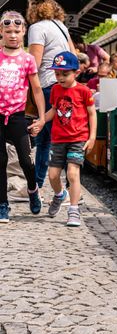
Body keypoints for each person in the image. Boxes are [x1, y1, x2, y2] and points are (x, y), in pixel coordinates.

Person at [27, 0, 76, 190]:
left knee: (51, 138)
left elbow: (34, 64)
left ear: (32, 4)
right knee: (47, 138)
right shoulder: (61, 26)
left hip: (47, 86)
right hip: (62, 86)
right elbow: (73, 55)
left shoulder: (37, 28)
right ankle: (37, 184)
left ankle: (68, 188)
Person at [0, 11, 46, 222]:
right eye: (8, 31)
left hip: (18, 117)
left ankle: (32, 189)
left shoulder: (27, 59)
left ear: (24, 32)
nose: (13, 35)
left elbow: (36, 90)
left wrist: (42, 117)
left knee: (26, 162)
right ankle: (2, 204)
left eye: (17, 31)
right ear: (1, 32)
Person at [44, 51, 96, 227]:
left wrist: (92, 137)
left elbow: (92, 114)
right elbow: (53, 110)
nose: (60, 78)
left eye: (65, 74)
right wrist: (41, 121)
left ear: (76, 72)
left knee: (73, 174)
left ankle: (73, 210)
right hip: (58, 139)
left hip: (77, 138)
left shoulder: (84, 91)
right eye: (57, 73)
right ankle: (59, 195)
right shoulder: (55, 90)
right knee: (52, 176)